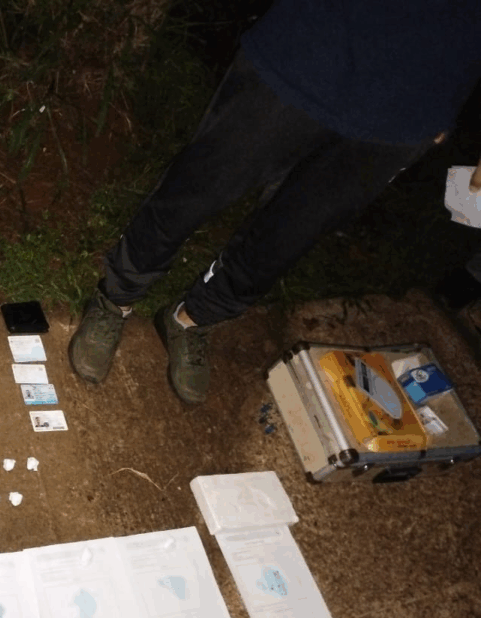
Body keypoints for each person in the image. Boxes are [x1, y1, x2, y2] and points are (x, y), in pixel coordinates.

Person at [69, 0, 481, 404]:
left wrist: (448, 105)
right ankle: (117, 297)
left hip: (414, 105)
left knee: (288, 236)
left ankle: (193, 319)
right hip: (310, 49)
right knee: (197, 189)